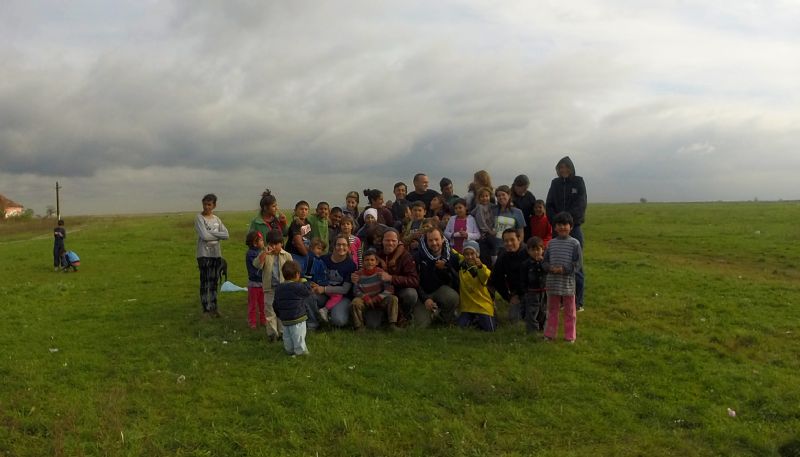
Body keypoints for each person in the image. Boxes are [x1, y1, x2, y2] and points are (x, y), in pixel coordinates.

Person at [545, 156, 587, 311]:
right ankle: (562, 299)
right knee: (558, 262)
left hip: (574, 228)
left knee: (576, 265)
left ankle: (578, 302)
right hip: (557, 229)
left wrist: (568, 221)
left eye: (566, 167)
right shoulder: (555, 183)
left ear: (571, 168)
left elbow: (581, 203)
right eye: (560, 167)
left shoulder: (578, 182)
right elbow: (549, 204)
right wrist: (557, 222)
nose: (563, 170)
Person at [543, 212, 583, 343]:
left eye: (565, 224)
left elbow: (578, 264)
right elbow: (544, 261)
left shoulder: (575, 243)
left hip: (568, 284)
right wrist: (549, 268)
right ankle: (549, 334)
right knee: (552, 310)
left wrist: (564, 270)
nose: (562, 227)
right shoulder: (551, 244)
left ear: (571, 227)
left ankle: (570, 336)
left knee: (570, 312)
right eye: (559, 225)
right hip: (553, 283)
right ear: (555, 227)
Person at [414, 227, 460, 327]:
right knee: (421, 325)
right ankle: (430, 312)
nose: (434, 243)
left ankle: (444, 317)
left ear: (442, 239)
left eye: (436, 239)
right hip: (422, 292)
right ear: (426, 242)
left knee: (453, 297)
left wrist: (446, 268)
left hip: (439, 290)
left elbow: (456, 280)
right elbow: (414, 281)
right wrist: (425, 299)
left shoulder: (452, 256)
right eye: (430, 240)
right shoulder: (417, 256)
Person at [253, 229, 293, 341]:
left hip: (283, 288)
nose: (274, 247)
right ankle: (272, 334)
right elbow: (256, 264)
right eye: (271, 244)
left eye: (276, 244)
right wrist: (264, 253)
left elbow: (292, 271)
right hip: (269, 288)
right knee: (270, 311)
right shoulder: (265, 254)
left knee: (281, 310)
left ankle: (282, 332)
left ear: (281, 243)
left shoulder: (287, 256)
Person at [309, 234, 358, 328]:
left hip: (341, 296)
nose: (341, 247)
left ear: (348, 247)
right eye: (338, 244)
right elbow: (315, 275)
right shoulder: (324, 259)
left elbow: (345, 289)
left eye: (344, 245)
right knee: (309, 296)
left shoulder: (351, 265)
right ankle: (313, 323)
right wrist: (314, 285)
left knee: (339, 321)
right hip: (324, 294)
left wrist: (324, 289)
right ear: (334, 246)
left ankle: (330, 312)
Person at [373, 228, 419, 325]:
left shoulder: (405, 256)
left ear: (398, 242)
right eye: (387, 240)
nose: (390, 243)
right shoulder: (376, 254)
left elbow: (414, 280)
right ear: (382, 241)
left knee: (411, 294)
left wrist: (391, 278)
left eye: (393, 241)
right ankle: (385, 315)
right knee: (373, 324)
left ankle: (405, 316)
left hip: (399, 290)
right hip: (381, 292)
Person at [194, 193, 229, 318]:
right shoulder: (199, 218)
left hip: (216, 255)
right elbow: (204, 236)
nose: (206, 207)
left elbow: (226, 235)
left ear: (214, 205)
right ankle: (205, 310)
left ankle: (214, 308)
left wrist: (211, 233)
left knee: (214, 282)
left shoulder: (217, 219)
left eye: (209, 204)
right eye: (204, 204)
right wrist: (218, 235)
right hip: (204, 255)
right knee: (205, 282)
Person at [350, 249, 400, 331]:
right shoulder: (358, 274)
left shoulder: (380, 272)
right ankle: (359, 327)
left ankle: (392, 324)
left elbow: (390, 289)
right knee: (355, 302)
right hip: (365, 301)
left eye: (372, 260)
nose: (369, 262)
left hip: (379, 300)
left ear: (376, 262)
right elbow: (355, 290)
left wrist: (378, 298)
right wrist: (365, 298)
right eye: (367, 260)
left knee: (393, 298)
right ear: (363, 262)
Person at [454, 240, 496, 331]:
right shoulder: (461, 263)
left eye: (472, 254)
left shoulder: (482, 268)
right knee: (460, 328)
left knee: (490, 329)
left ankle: (485, 317)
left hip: (482, 306)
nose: (469, 257)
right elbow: (452, 251)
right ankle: (475, 320)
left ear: (477, 254)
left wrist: (480, 267)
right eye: (466, 254)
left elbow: (485, 276)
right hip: (467, 307)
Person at [489, 229, 528, 323]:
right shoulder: (503, 256)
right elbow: (496, 279)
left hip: (534, 292)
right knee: (514, 320)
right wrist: (508, 297)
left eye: (512, 240)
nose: (509, 243)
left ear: (519, 239)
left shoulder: (529, 252)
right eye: (506, 241)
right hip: (517, 294)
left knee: (535, 318)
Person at [273, 261, 310, 356]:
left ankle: (289, 350)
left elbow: (275, 303)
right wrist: (305, 282)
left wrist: (279, 314)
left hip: (285, 319)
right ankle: (301, 353)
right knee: (298, 336)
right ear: (297, 274)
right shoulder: (298, 286)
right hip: (298, 317)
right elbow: (307, 292)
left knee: (287, 336)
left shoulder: (279, 288)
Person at [519, 236, 547, 333]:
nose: (536, 252)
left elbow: (548, 273)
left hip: (544, 291)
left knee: (543, 310)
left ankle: (542, 327)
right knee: (532, 311)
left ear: (543, 250)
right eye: (533, 250)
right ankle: (532, 330)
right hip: (532, 292)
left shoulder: (545, 263)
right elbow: (523, 278)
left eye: (538, 250)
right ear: (528, 251)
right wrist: (525, 290)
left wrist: (542, 263)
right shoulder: (526, 264)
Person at [245, 231, 267, 329]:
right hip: (254, 284)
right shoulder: (251, 254)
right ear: (255, 243)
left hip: (262, 283)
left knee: (263, 304)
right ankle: (252, 322)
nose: (263, 242)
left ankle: (263, 320)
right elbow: (257, 265)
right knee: (253, 305)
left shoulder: (259, 252)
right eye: (261, 240)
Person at [471, 187, 498, 265]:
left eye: (486, 196)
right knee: (490, 248)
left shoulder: (491, 206)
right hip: (484, 234)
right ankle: (494, 263)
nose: (485, 198)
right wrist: (490, 232)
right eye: (482, 196)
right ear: (479, 198)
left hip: (492, 231)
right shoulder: (479, 207)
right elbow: (482, 222)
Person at [285, 200, 312, 271]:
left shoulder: (308, 223)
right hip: (294, 254)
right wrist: (307, 255)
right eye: (301, 209)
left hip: (303, 253)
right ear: (296, 211)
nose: (303, 211)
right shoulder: (296, 223)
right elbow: (298, 243)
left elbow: (308, 238)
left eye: (306, 209)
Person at [511, 175, 537, 240]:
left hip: (528, 227)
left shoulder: (529, 195)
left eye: (526, 188)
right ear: (516, 186)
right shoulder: (508, 196)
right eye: (524, 189)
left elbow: (535, 210)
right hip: (513, 228)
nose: (525, 191)